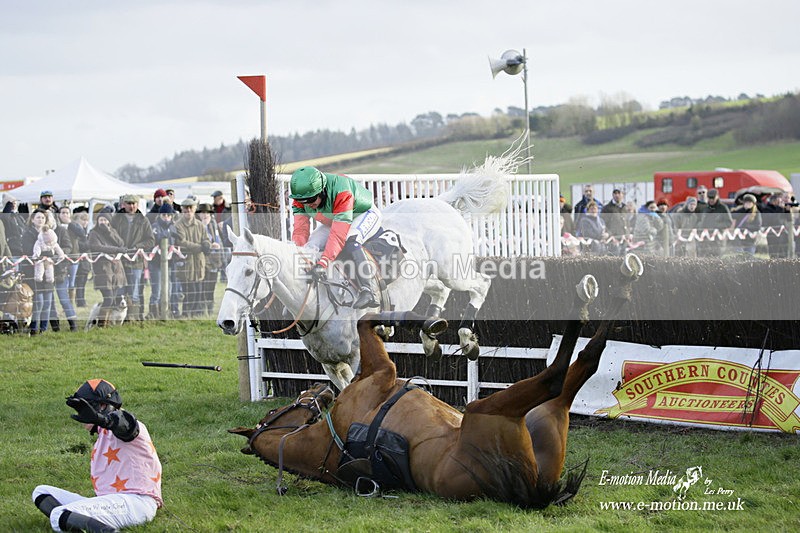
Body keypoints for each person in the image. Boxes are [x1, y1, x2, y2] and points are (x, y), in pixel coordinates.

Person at [32, 379, 162, 532]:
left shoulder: (129, 425)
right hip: (112, 502)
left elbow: (126, 425)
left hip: (137, 503)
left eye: (84, 408)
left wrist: (102, 419)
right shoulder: (103, 434)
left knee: (58, 515)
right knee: (41, 492)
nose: (80, 414)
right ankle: (76, 524)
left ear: (102, 405)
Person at [289, 166, 381, 309]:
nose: (309, 204)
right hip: (336, 218)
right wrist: (299, 256)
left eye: (312, 199)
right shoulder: (300, 199)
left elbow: (338, 236)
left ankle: (368, 290)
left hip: (363, 214)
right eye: (304, 201)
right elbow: (300, 231)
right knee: (309, 247)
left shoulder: (341, 190)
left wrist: (323, 263)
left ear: (322, 190)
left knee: (351, 241)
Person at [111, 195, 155, 321]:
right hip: (119, 261)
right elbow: (109, 235)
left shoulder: (143, 220)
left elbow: (151, 240)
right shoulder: (116, 219)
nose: (132, 206)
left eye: (134, 203)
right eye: (129, 203)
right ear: (123, 204)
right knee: (120, 289)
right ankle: (118, 318)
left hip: (136, 262)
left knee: (134, 291)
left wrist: (137, 246)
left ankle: (132, 319)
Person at [88, 209, 128, 327]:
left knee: (113, 298)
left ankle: (107, 322)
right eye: (101, 220)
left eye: (105, 220)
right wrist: (116, 250)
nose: (103, 222)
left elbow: (121, 243)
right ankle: (101, 324)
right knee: (108, 298)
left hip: (115, 269)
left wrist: (109, 232)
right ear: (97, 221)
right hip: (103, 270)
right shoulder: (93, 233)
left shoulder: (113, 231)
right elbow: (97, 247)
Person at [174, 198, 210, 317]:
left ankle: (194, 315)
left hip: (198, 263)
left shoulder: (200, 225)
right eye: (186, 208)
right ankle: (185, 314)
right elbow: (182, 242)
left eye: (191, 208)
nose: (188, 210)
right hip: (186, 263)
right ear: (182, 209)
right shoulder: (178, 225)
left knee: (198, 292)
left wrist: (206, 244)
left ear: (194, 209)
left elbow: (206, 238)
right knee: (189, 292)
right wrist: (200, 247)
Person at [148, 203, 180, 319]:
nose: (166, 217)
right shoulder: (155, 226)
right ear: (160, 215)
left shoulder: (173, 227)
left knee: (169, 288)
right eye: (164, 215)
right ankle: (153, 312)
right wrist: (164, 236)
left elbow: (176, 240)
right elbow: (154, 239)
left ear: (171, 216)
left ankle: (165, 312)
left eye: (168, 215)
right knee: (156, 288)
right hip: (156, 263)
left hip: (170, 263)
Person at [197, 203, 223, 315]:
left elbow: (220, 240)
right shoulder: (198, 226)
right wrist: (210, 245)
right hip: (202, 260)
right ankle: (203, 310)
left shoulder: (213, 225)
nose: (205, 215)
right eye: (203, 213)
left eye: (207, 213)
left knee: (211, 285)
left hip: (214, 260)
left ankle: (210, 308)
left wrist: (218, 245)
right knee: (203, 286)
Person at [698, 188, 733, 257]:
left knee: (717, 260)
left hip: (718, 240)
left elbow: (729, 222)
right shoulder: (706, 208)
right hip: (706, 240)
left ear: (717, 196)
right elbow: (702, 221)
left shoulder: (723, 208)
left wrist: (716, 226)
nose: (711, 200)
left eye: (713, 198)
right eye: (709, 198)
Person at [69, 211, 92, 307]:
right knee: (76, 282)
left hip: (85, 262)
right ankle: (78, 301)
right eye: (83, 220)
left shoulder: (85, 233)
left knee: (82, 282)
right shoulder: (76, 233)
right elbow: (82, 246)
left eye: (86, 220)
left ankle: (80, 300)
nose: (85, 222)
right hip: (77, 260)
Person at [760, 192, 791, 258]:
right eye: (779, 201)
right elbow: (774, 221)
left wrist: (787, 211)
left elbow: (789, 219)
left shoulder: (781, 208)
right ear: (774, 201)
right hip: (773, 235)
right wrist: (780, 209)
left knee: (784, 253)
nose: (780, 202)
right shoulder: (767, 209)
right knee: (774, 254)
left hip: (783, 234)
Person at [600, 188, 627, 255]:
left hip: (624, 239)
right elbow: (603, 223)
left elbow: (628, 221)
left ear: (622, 195)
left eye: (619, 193)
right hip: (612, 239)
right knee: (615, 258)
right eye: (615, 193)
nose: (617, 195)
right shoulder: (607, 208)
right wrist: (609, 234)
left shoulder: (625, 207)